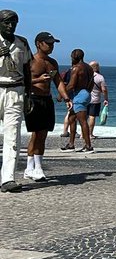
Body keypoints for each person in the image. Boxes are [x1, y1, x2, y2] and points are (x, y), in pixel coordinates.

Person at [25, 33, 71, 181]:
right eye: (48, 43)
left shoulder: (52, 62)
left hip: (47, 99)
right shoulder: (30, 61)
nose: (51, 46)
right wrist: (38, 79)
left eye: (53, 44)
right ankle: (33, 168)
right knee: (37, 133)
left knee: (42, 133)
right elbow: (22, 81)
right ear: (39, 44)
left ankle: (34, 167)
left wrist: (66, 98)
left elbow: (58, 81)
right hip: (34, 99)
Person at [0, 10, 32, 193]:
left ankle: (8, 178)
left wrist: (28, 94)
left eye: (14, 22)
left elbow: (27, 70)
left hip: (15, 91)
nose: (10, 26)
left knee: (13, 135)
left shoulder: (22, 43)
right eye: (6, 22)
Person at [61, 49, 95, 153]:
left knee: (82, 121)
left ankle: (88, 146)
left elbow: (71, 85)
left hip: (79, 95)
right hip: (85, 93)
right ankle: (71, 144)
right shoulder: (89, 68)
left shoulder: (76, 68)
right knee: (71, 118)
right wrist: (87, 92)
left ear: (74, 57)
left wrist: (61, 94)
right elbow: (92, 82)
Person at [87, 61, 109, 140]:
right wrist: (106, 99)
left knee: (84, 117)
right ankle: (90, 134)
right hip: (95, 100)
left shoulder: (84, 75)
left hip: (84, 98)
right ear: (97, 67)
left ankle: (83, 134)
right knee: (92, 116)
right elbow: (104, 90)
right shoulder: (100, 77)